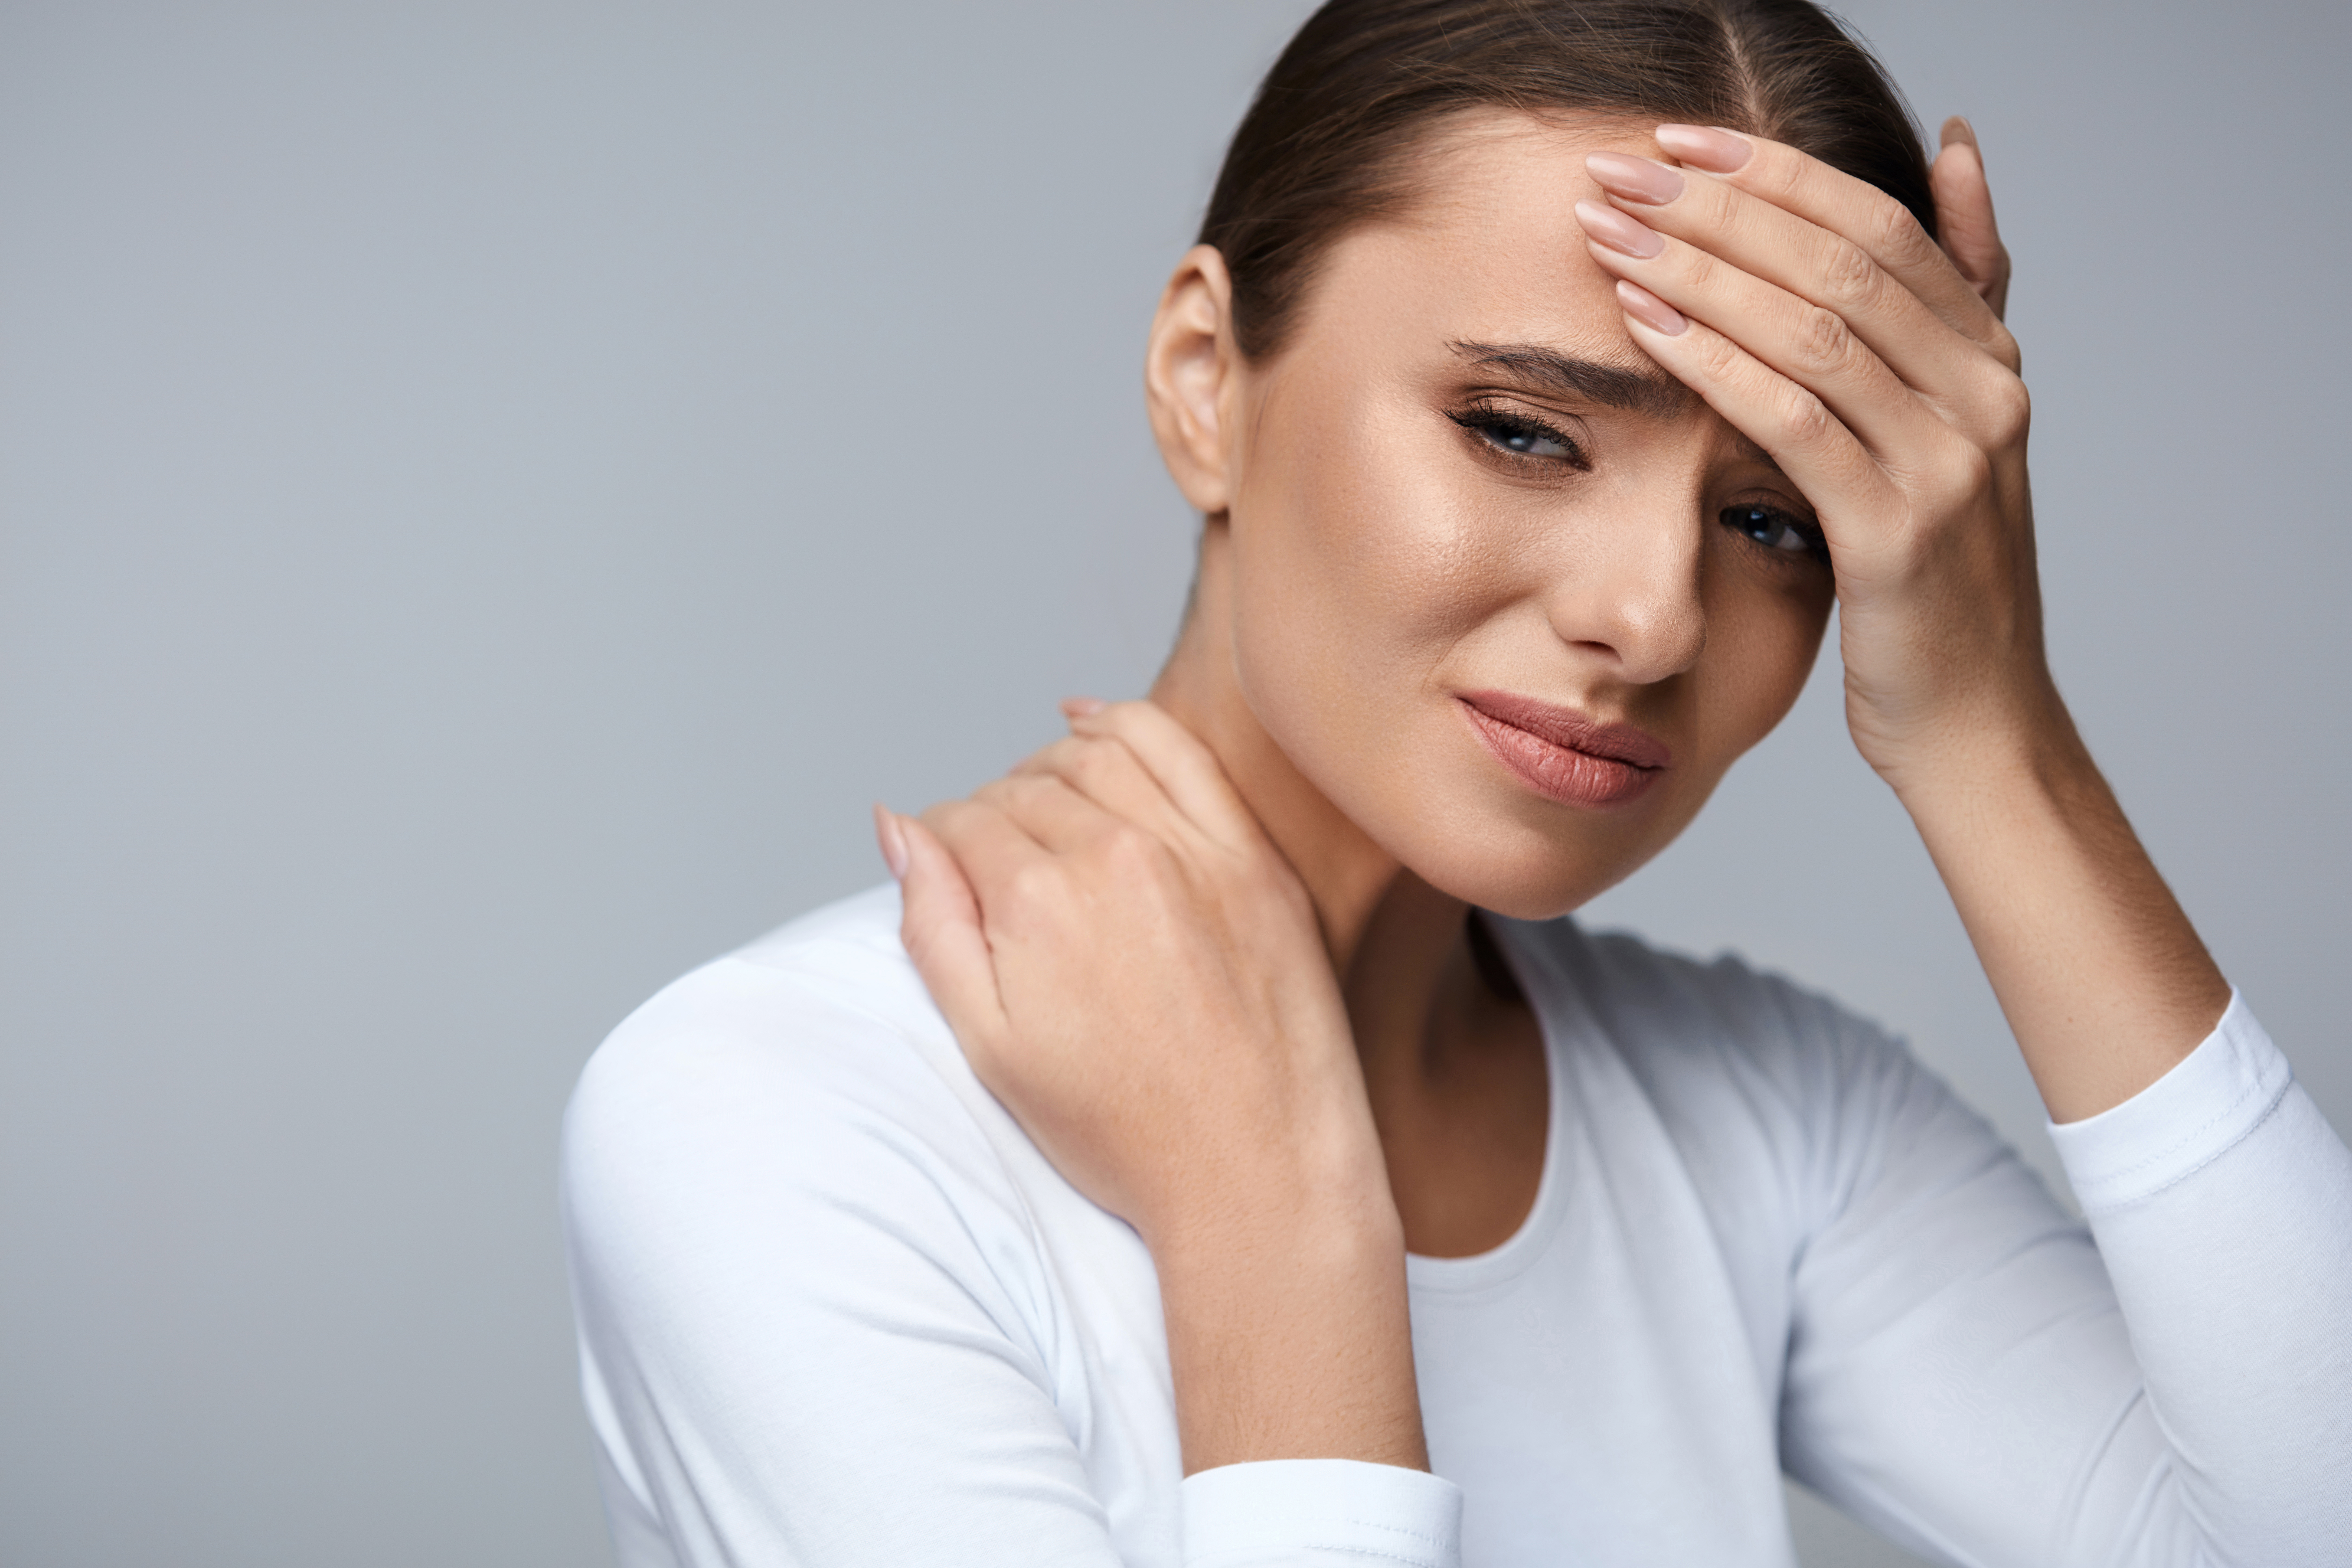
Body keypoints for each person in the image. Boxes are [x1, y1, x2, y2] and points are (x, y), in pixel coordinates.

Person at [560, 1, 2352, 1563]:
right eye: (1521, 430)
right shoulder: (782, 1120)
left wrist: (1991, 737)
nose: (1653, 616)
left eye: (1777, 521)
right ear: (1205, 381)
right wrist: (1278, 1241)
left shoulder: (1769, 1124)